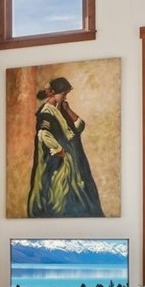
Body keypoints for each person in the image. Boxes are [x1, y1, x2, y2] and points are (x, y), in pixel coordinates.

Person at [26, 76, 104, 218]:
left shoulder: (61, 109)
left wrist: (68, 110)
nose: (65, 97)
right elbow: (43, 134)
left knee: (79, 190)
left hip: (73, 159)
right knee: (60, 194)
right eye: (63, 94)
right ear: (53, 93)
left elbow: (79, 126)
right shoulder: (46, 112)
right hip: (58, 163)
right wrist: (59, 150)